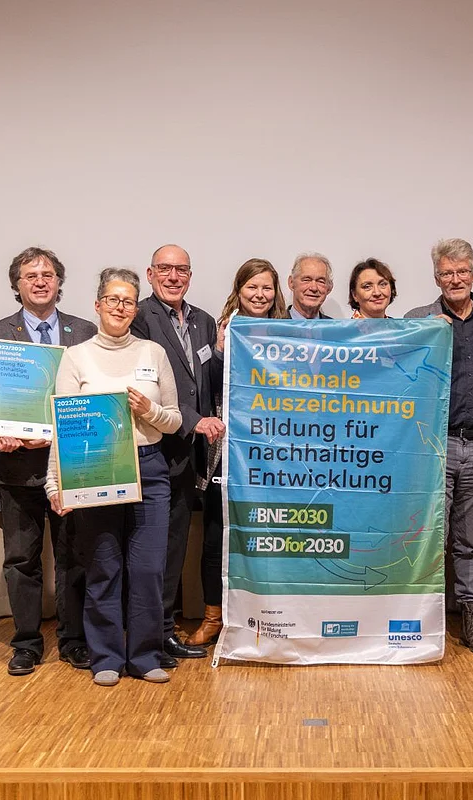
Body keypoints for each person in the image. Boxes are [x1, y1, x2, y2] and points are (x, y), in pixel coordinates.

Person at [46, 268, 182, 685]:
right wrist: (56, 483)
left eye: (128, 301)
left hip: (151, 469)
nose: (121, 307)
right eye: (113, 300)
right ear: (98, 305)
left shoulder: (153, 353)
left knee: (147, 569)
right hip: (96, 471)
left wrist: (149, 412)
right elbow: (63, 427)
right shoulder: (76, 356)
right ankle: (105, 657)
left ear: (134, 307)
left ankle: (145, 656)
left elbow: (174, 420)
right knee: (104, 567)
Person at [0, 247, 98, 677]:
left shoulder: (85, 330)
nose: (40, 281)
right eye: (31, 275)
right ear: (17, 285)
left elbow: (93, 391)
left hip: (72, 466)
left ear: (59, 282)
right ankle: (26, 643)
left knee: (74, 557)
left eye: (48, 274)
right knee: (21, 560)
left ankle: (74, 640)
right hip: (17, 467)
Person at [404, 238, 473, 655]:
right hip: (435, 445)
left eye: (462, 271)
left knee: (470, 540)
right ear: (436, 278)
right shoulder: (421, 318)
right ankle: (423, 621)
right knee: (431, 537)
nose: (455, 279)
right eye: (447, 273)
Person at [130, 244, 224, 666]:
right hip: (150, 449)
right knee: (148, 553)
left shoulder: (204, 321)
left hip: (189, 458)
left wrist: (221, 353)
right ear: (150, 274)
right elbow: (145, 385)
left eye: (181, 270)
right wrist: (193, 420)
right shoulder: (138, 318)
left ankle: (163, 633)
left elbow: (203, 382)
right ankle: (148, 637)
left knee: (172, 549)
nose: (173, 276)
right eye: (165, 269)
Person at [185, 258, 287, 647]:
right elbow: (205, 387)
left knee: (271, 537)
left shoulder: (288, 332)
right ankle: (213, 617)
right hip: (227, 453)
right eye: (252, 288)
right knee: (216, 536)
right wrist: (221, 350)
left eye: (266, 288)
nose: (259, 295)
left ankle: (271, 617)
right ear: (239, 290)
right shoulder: (220, 329)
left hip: (275, 456)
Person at [287, 252, 334, 319]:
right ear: (291, 283)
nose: (313, 288)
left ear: (329, 288)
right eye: (306, 280)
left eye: (320, 281)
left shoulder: (334, 328)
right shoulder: (273, 326)